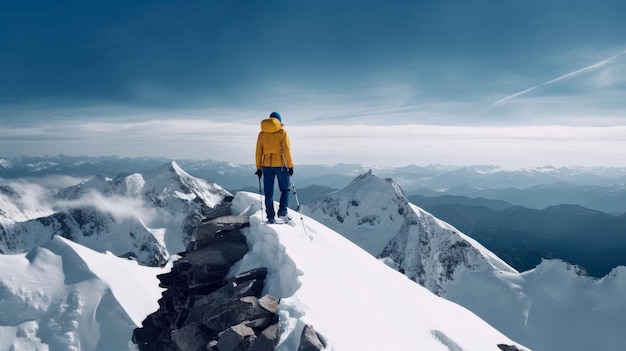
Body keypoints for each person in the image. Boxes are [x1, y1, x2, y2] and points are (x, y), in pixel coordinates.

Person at [255, 111, 294, 223]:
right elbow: (286, 150)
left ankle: (270, 216)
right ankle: (282, 212)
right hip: (280, 165)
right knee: (285, 189)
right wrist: (290, 166)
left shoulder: (262, 134)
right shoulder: (282, 132)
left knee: (268, 192)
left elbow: (258, 152)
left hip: (266, 166)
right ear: (279, 121)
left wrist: (258, 168)